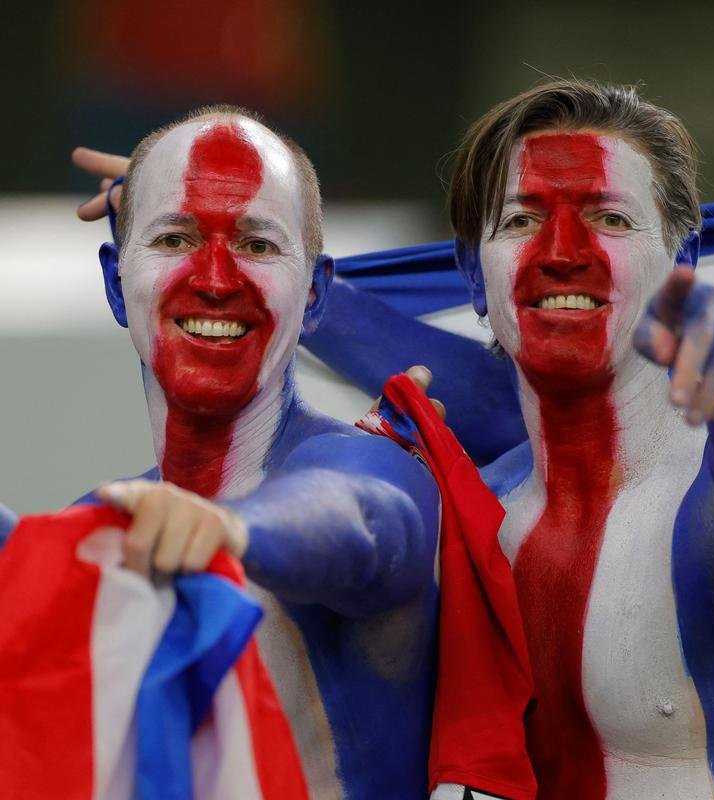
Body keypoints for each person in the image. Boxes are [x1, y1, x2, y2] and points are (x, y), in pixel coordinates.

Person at [74, 83, 714, 796]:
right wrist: (212, 225)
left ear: (685, 256)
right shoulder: (474, 512)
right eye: (523, 219)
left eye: (607, 218)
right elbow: (495, 405)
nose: (562, 253)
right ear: (474, 273)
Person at [76, 105, 448, 799]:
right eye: (176, 236)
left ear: (313, 295)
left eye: (256, 244)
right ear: (114, 284)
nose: (215, 277)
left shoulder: (370, 464)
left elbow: (357, 518)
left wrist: (233, 528)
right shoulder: (91, 531)